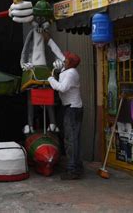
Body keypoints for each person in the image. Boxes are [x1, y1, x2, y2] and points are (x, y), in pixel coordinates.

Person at [45, 38, 83, 180]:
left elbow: (62, 87)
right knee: (75, 139)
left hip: (71, 110)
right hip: (73, 108)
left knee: (70, 140)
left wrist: (50, 78)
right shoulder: (68, 68)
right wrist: (48, 40)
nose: (63, 59)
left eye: (66, 59)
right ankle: (77, 167)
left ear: (69, 62)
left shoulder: (71, 73)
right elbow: (58, 52)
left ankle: (72, 170)